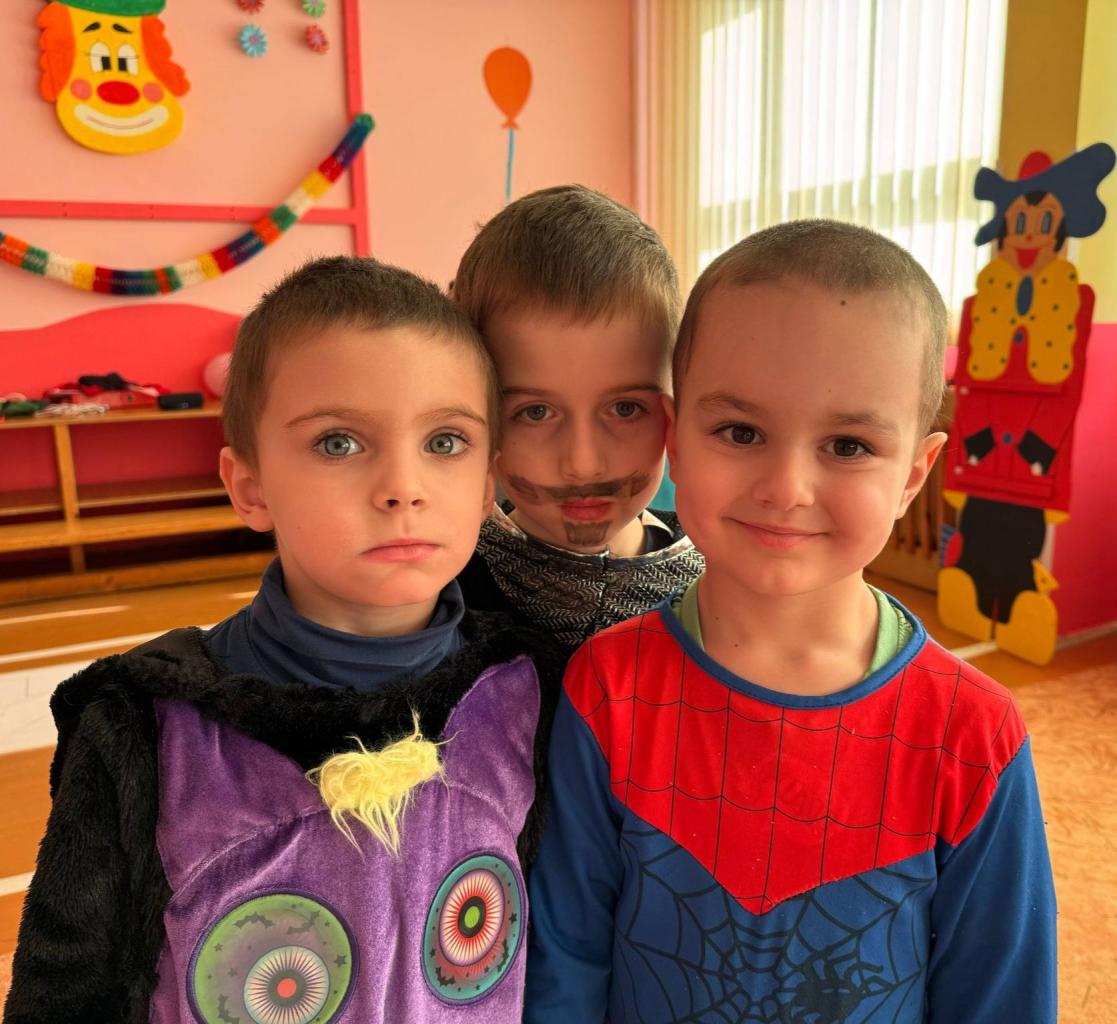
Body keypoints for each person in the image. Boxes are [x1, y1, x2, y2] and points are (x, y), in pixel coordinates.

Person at [525, 221, 1057, 1023]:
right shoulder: (607, 686)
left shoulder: (973, 734)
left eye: (847, 445)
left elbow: (1000, 997)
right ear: (675, 438)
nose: (785, 487)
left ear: (913, 475)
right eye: (740, 432)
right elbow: (565, 966)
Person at [6, 257, 558, 1024]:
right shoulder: (145, 725)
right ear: (250, 486)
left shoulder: (529, 685)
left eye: (444, 441)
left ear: (489, 478)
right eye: (338, 443)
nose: (403, 487)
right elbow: (65, 987)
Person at [453, 185, 703, 657]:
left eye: (625, 409)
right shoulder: (442, 593)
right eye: (535, 412)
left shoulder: (723, 595)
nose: (583, 464)